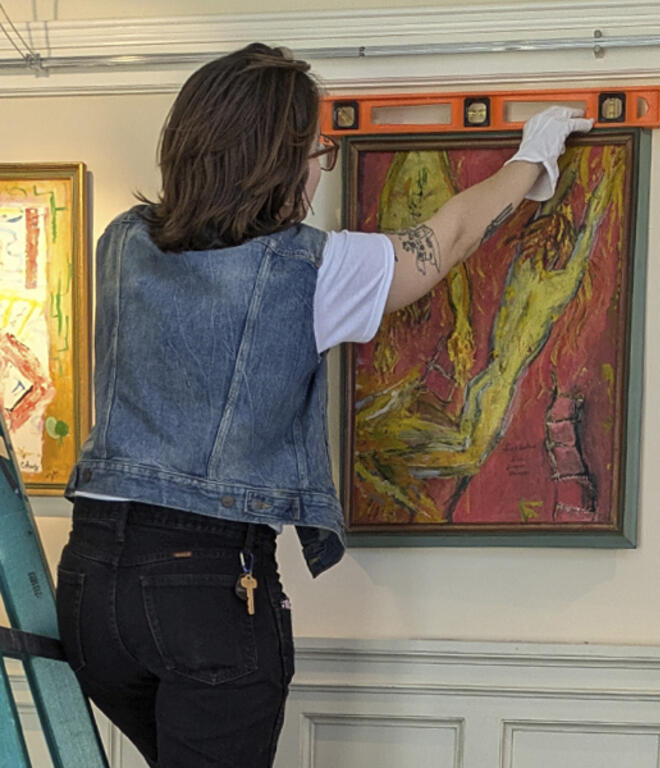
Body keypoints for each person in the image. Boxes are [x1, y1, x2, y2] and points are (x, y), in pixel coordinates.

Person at [55, 42, 591, 768]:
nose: (319, 169)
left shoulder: (120, 242)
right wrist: (532, 160)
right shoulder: (310, 267)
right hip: (206, 586)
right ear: (277, 160)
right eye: (317, 152)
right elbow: (451, 235)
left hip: (90, 589)